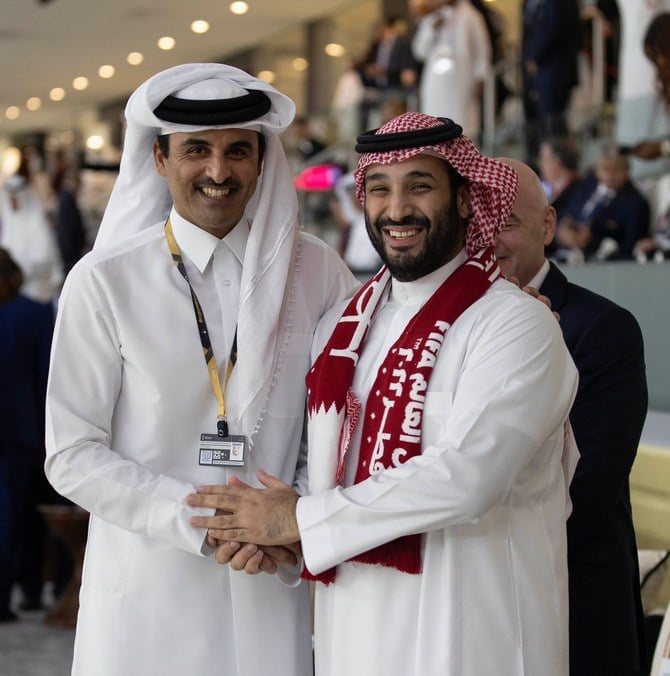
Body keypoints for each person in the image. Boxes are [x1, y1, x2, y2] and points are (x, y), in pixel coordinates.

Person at [188, 112, 580, 675]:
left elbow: (469, 476)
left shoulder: (514, 325)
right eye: (379, 190)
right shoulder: (343, 327)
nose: (397, 210)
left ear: (467, 199)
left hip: (475, 634)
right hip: (356, 635)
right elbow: (322, 470)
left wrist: (300, 520)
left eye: (419, 186)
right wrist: (278, 536)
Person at [44, 63, 359, 676]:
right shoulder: (105, 281)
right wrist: (204, 522)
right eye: (197, 151)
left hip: (270, 585)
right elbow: (71, 452)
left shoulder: (319, 273)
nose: (219, 172)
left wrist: (292, 519)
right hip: (147, 595)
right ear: (159, 160)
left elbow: (342, 419)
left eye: (238, 151)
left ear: (263, 161)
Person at [493, 158, 648, 676]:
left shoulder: (604, 328)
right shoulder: (453, 327)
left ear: (548, 225)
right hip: (484, 600)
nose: (491, 239)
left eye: (508, 222)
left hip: (576, 600)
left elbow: (588, 484)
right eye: (480, 222)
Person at [0, 248, 54, 621]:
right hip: (22, 435)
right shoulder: (35, 315)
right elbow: (47, 379)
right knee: (18, 516)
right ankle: (27, 591)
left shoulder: (33, 315)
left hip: (20, 436)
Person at [555, 143, 651, 261]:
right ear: (597, 170)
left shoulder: (636, 204)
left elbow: (631, 247)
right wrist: (562, 230)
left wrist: (591, 241)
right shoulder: (586, 184)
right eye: (606, 168)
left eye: (617, 169)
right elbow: (566, 211)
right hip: (560, 253)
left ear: (627, 170)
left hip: (597, 262)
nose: (610, 174)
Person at [412, 0, 491, 139]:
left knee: (463, 125)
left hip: (462, 81)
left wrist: (481, 78)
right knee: (433, 124)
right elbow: (419, 51)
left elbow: (482, 50)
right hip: (436, 82)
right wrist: (432, 29)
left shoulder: (472, 16)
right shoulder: (433, 17)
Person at [521, 0, 581, 166]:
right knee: (539, 126)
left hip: (554, 71)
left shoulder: (558, 3)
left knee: (553, 126)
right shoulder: (529, 3)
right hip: (537, 75)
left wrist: (535, 56)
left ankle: (560, 166)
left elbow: (554, 28)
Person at [0, 149, 63, 305]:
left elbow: (43, 258)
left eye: (16, 198)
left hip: (35, 294)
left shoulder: (36, 222)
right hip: (11, 293)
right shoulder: (9, 223)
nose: (13, 202)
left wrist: (16, 274)